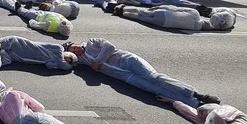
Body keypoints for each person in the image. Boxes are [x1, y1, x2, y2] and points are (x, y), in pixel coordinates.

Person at [64, 38, 220, 106]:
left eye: (74, 47)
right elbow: (66, 62)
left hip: (127, 60)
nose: (76, 50)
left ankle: (196, 94)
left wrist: (98, 62)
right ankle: (195, 103)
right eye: (73, 51)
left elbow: (109, 47)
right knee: (154, 89)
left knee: (154, 77)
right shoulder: (81, 60)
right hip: (124, 75)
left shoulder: (92, 42)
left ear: (77, 44)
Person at [0, 36, 77, 71]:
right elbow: (63, 65)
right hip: (19, 44)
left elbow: (49, 66)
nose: (67, 60)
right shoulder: (58, 49)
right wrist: (70, 65)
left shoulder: (54, 61)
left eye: (69, 61)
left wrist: (61, 64)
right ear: (67, 53)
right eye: (69, 58)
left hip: (17, 57)